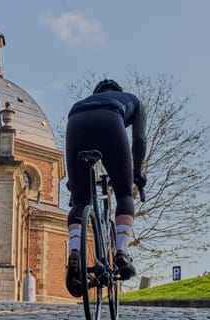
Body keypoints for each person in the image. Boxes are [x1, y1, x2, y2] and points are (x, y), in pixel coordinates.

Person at [65, 79, 146, 297]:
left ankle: (74, 251)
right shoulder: (132, 101)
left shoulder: (82, 102)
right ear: (119, 91)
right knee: (124, 194)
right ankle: (121, 252)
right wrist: (137, 172)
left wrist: (75, 181)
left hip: (75, 122)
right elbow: (139, 139)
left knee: (80, 200)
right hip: (110, 120)